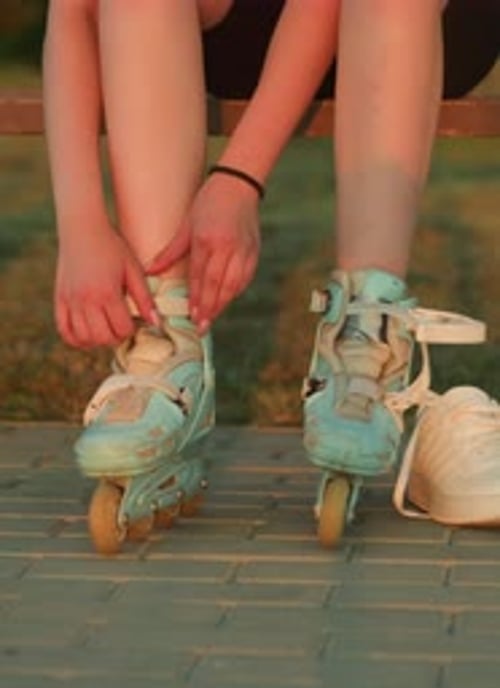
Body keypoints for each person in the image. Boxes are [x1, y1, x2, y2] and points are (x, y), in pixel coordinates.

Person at [42, 0, 499, 551]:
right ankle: (164, 339)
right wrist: (82, 226)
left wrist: (239, 178)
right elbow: (71, 13)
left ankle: (366, 335)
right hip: (236, 33)